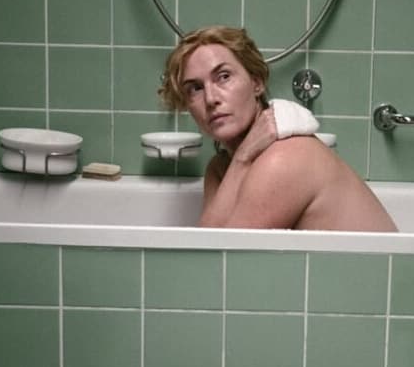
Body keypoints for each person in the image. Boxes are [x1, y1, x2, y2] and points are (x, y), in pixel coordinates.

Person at [159, 26, 397, 231]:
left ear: (257, 83)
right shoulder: (221, 168)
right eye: (195, 88)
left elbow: (218, 261)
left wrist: (242, 159)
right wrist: (241, 159)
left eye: (223, 77)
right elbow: (201, 248)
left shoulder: (285, 157)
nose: (211, 99)